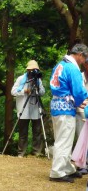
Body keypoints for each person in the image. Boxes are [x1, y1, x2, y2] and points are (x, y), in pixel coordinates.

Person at [49, 43, 88, 183]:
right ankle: (57, 172)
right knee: (64, 140)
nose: (84, 62)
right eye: (84, 58)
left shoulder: (60, 65)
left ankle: (67, 168)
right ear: (79, 55)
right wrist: (83, 99)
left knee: (64, 138)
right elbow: (78, 91)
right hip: (65, 108)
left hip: (57, 105)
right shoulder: (72, 68)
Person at [11, 59, 45, 157]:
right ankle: (21, 153)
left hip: (35, 109)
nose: (33, 72)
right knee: (23, 133)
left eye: (35, 70)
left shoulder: (38, 80)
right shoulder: (21, 79)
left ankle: (36, 152)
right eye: (31, 70)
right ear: (27, 70)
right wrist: (24, 91)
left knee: (37, 131)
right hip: (23, 109)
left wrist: (38, 88)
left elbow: (42, 93)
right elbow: (13, 92)